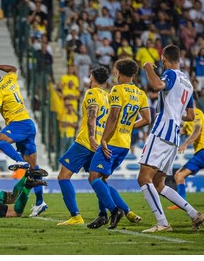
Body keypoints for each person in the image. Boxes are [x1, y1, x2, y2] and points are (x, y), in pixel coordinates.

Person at [56, 66, 142, 226]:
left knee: (63, 176)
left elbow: (92, 115)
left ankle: (75, 216)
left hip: (85, 142)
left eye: (90, 77)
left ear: (92, 78)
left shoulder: (91, 93)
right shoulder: (109, 97)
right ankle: (126, 211)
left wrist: (90, 136)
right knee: (100, 181)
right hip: (102, 142)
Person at [138, 44, 204, 232]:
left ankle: (162, 222)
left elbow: (158, 85)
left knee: (143, 178)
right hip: (174, 135)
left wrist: (147, 68)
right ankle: (194, 214)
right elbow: (190, 116)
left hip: (161, 131)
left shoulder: (172, 74)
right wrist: (176, 113)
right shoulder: (188, 83)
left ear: (164, 59)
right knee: (159, 184)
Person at [87, 59, 151, 230]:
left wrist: (104, 139)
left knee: (93, 177)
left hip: (113, 141)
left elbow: (113, 117)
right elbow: (147, 119)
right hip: (125, 143)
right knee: (101, 179)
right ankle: (106, 215)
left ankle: (114, 211)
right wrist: (128, 127)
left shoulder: (117, 90)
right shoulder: (140, 93)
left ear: (119, 73)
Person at [0, 62, 48, 217]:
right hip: (29, 124)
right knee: (34, 168)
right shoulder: (10, 79)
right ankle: (40, 202)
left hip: (19, 124)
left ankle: (19, 161)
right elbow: (13, 68)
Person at [169, 100, 204, 209]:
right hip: (198, 155)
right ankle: (180, 202)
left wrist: (185, 144)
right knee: (179, 175)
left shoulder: (197, 113)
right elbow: (182, 131)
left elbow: (197, 130)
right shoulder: (187, 121)